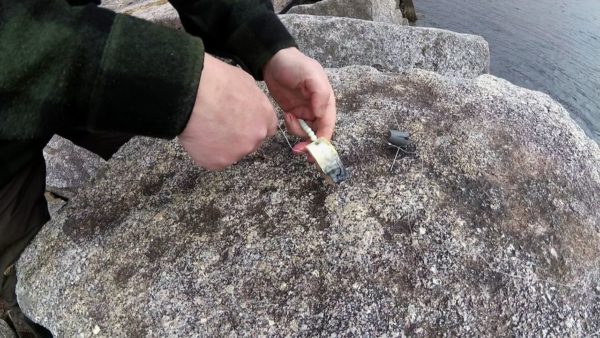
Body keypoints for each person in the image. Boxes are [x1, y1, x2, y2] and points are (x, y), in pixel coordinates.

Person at [0, 0, 337, 335]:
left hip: (76, 29)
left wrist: (265, 41)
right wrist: (176, 83)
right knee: (36, 279)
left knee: (159, 163)